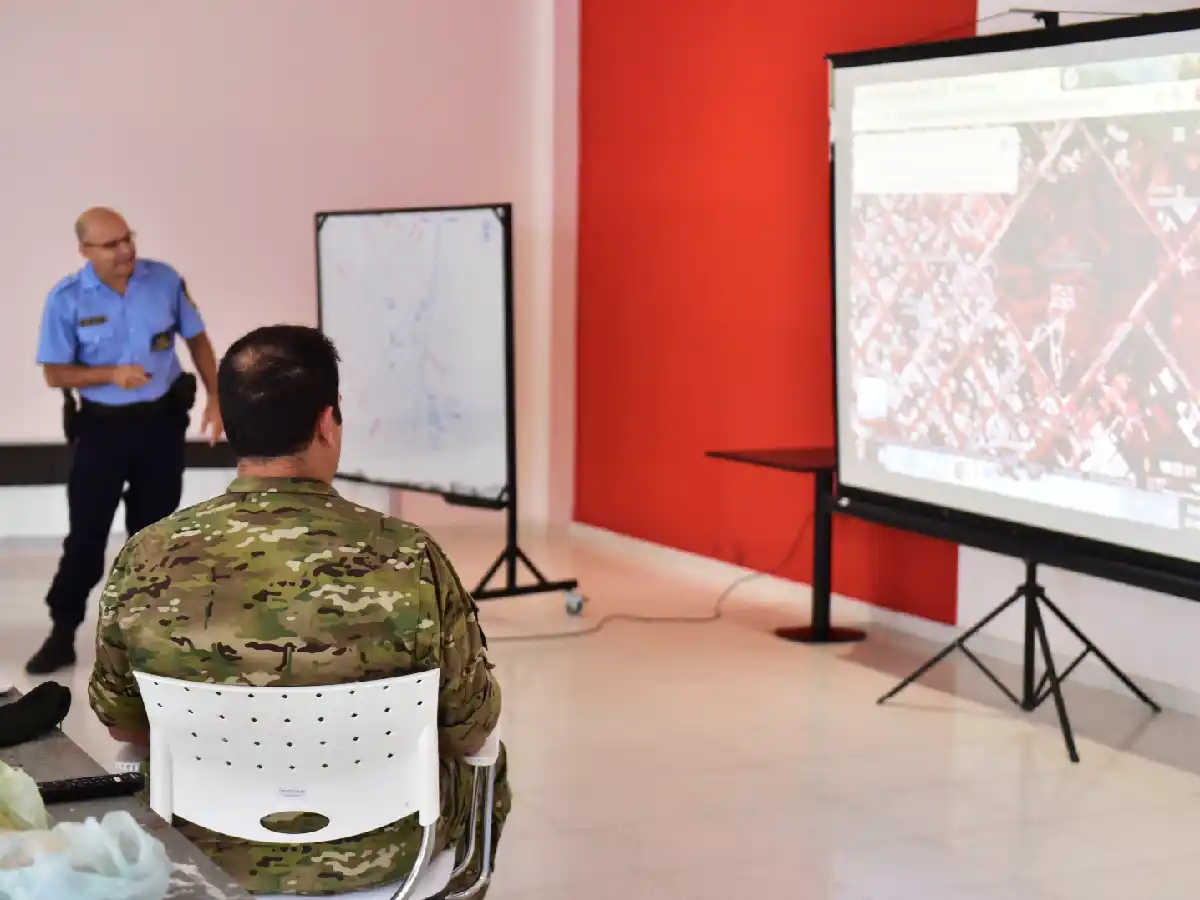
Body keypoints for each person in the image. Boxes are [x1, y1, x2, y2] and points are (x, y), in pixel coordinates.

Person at [87, 325, 509, 896]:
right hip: (385, 857)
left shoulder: (146, 554)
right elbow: (469, 725)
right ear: (327, 424)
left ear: (229, 427)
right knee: (490, 763)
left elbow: (123, 721)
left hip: (200, 851)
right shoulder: (411, 556)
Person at [28, 208, 223, 675]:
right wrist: (109, 374)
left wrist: (217, 396)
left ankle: (150, 639)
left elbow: (196, 340)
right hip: (101, 430)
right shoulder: (67, 299)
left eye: (127, 238)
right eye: (111, 244)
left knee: (154, 536)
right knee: (86, 537)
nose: (126, 250)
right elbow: (55, 373)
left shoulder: (164, 281)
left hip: (160, 426)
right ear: (86, 252)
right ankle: (62, 631)